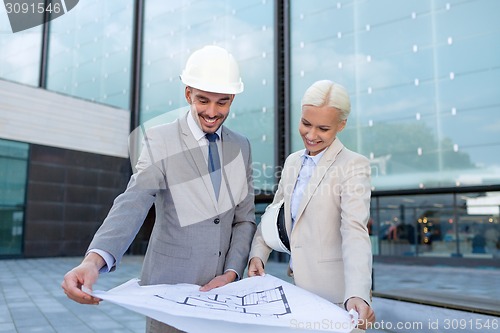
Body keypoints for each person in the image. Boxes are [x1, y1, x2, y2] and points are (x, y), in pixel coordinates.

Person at [61, 45, 256, 333]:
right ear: (188, 93)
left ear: (233, 99)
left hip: (224, 294)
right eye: (203, 100)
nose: (212, 112)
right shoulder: (161, 139)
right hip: (169, 290)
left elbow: (244, 218)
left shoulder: (242, 146)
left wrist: (231, 272)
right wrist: (93, 261)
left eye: (223, 102)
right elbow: (134, 201)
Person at [248, 80, 375, 331]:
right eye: (306, 123)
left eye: (323, 128)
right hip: (298, 295)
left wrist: (358, 293)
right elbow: (274, 213)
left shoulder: (353, 165)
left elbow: (355, 232)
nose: (311, 135)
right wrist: (257, 254)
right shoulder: (293, 161)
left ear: (341, 125)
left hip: (339, 300)